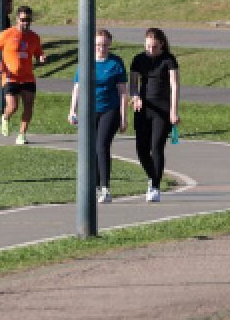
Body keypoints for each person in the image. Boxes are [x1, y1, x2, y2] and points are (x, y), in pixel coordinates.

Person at [70, 29, 128, 203]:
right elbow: (77, 87)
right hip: (90, 110)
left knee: (102, 145)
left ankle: (105, 188)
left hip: (110, 109)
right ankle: (94, 185)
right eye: (98, 45)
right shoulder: (86, 61)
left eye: (105, 45)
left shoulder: (115, 63)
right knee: (91, 147)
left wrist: (123, 116)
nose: (101, 48)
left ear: (110, 45)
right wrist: (72, 110)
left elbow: (123, 92)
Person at [130, 27, 180, 203]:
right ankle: (152, 177)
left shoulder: (168, 60)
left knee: (156, 147)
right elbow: (133, 84)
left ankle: (155, 187)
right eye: (148, 46)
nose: (151, 50)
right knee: (141, 150)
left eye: (155, 47)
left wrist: (173, 111)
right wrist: (135, 97)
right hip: (143, 109)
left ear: (162, 45)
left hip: (162, 109)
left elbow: (174, 86)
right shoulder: (138, 59)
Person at [0, 5, 45, 145]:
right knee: (13, 106)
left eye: (28, 20)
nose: (25, 23)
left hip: (27, 77)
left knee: (28, 106)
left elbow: (38, 52)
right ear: (17, 19)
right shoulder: (7, 34)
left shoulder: (34, 37)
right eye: (23, 20)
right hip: (10, 77)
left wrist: (41, 57)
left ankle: (22, 134)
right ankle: (5, 117)